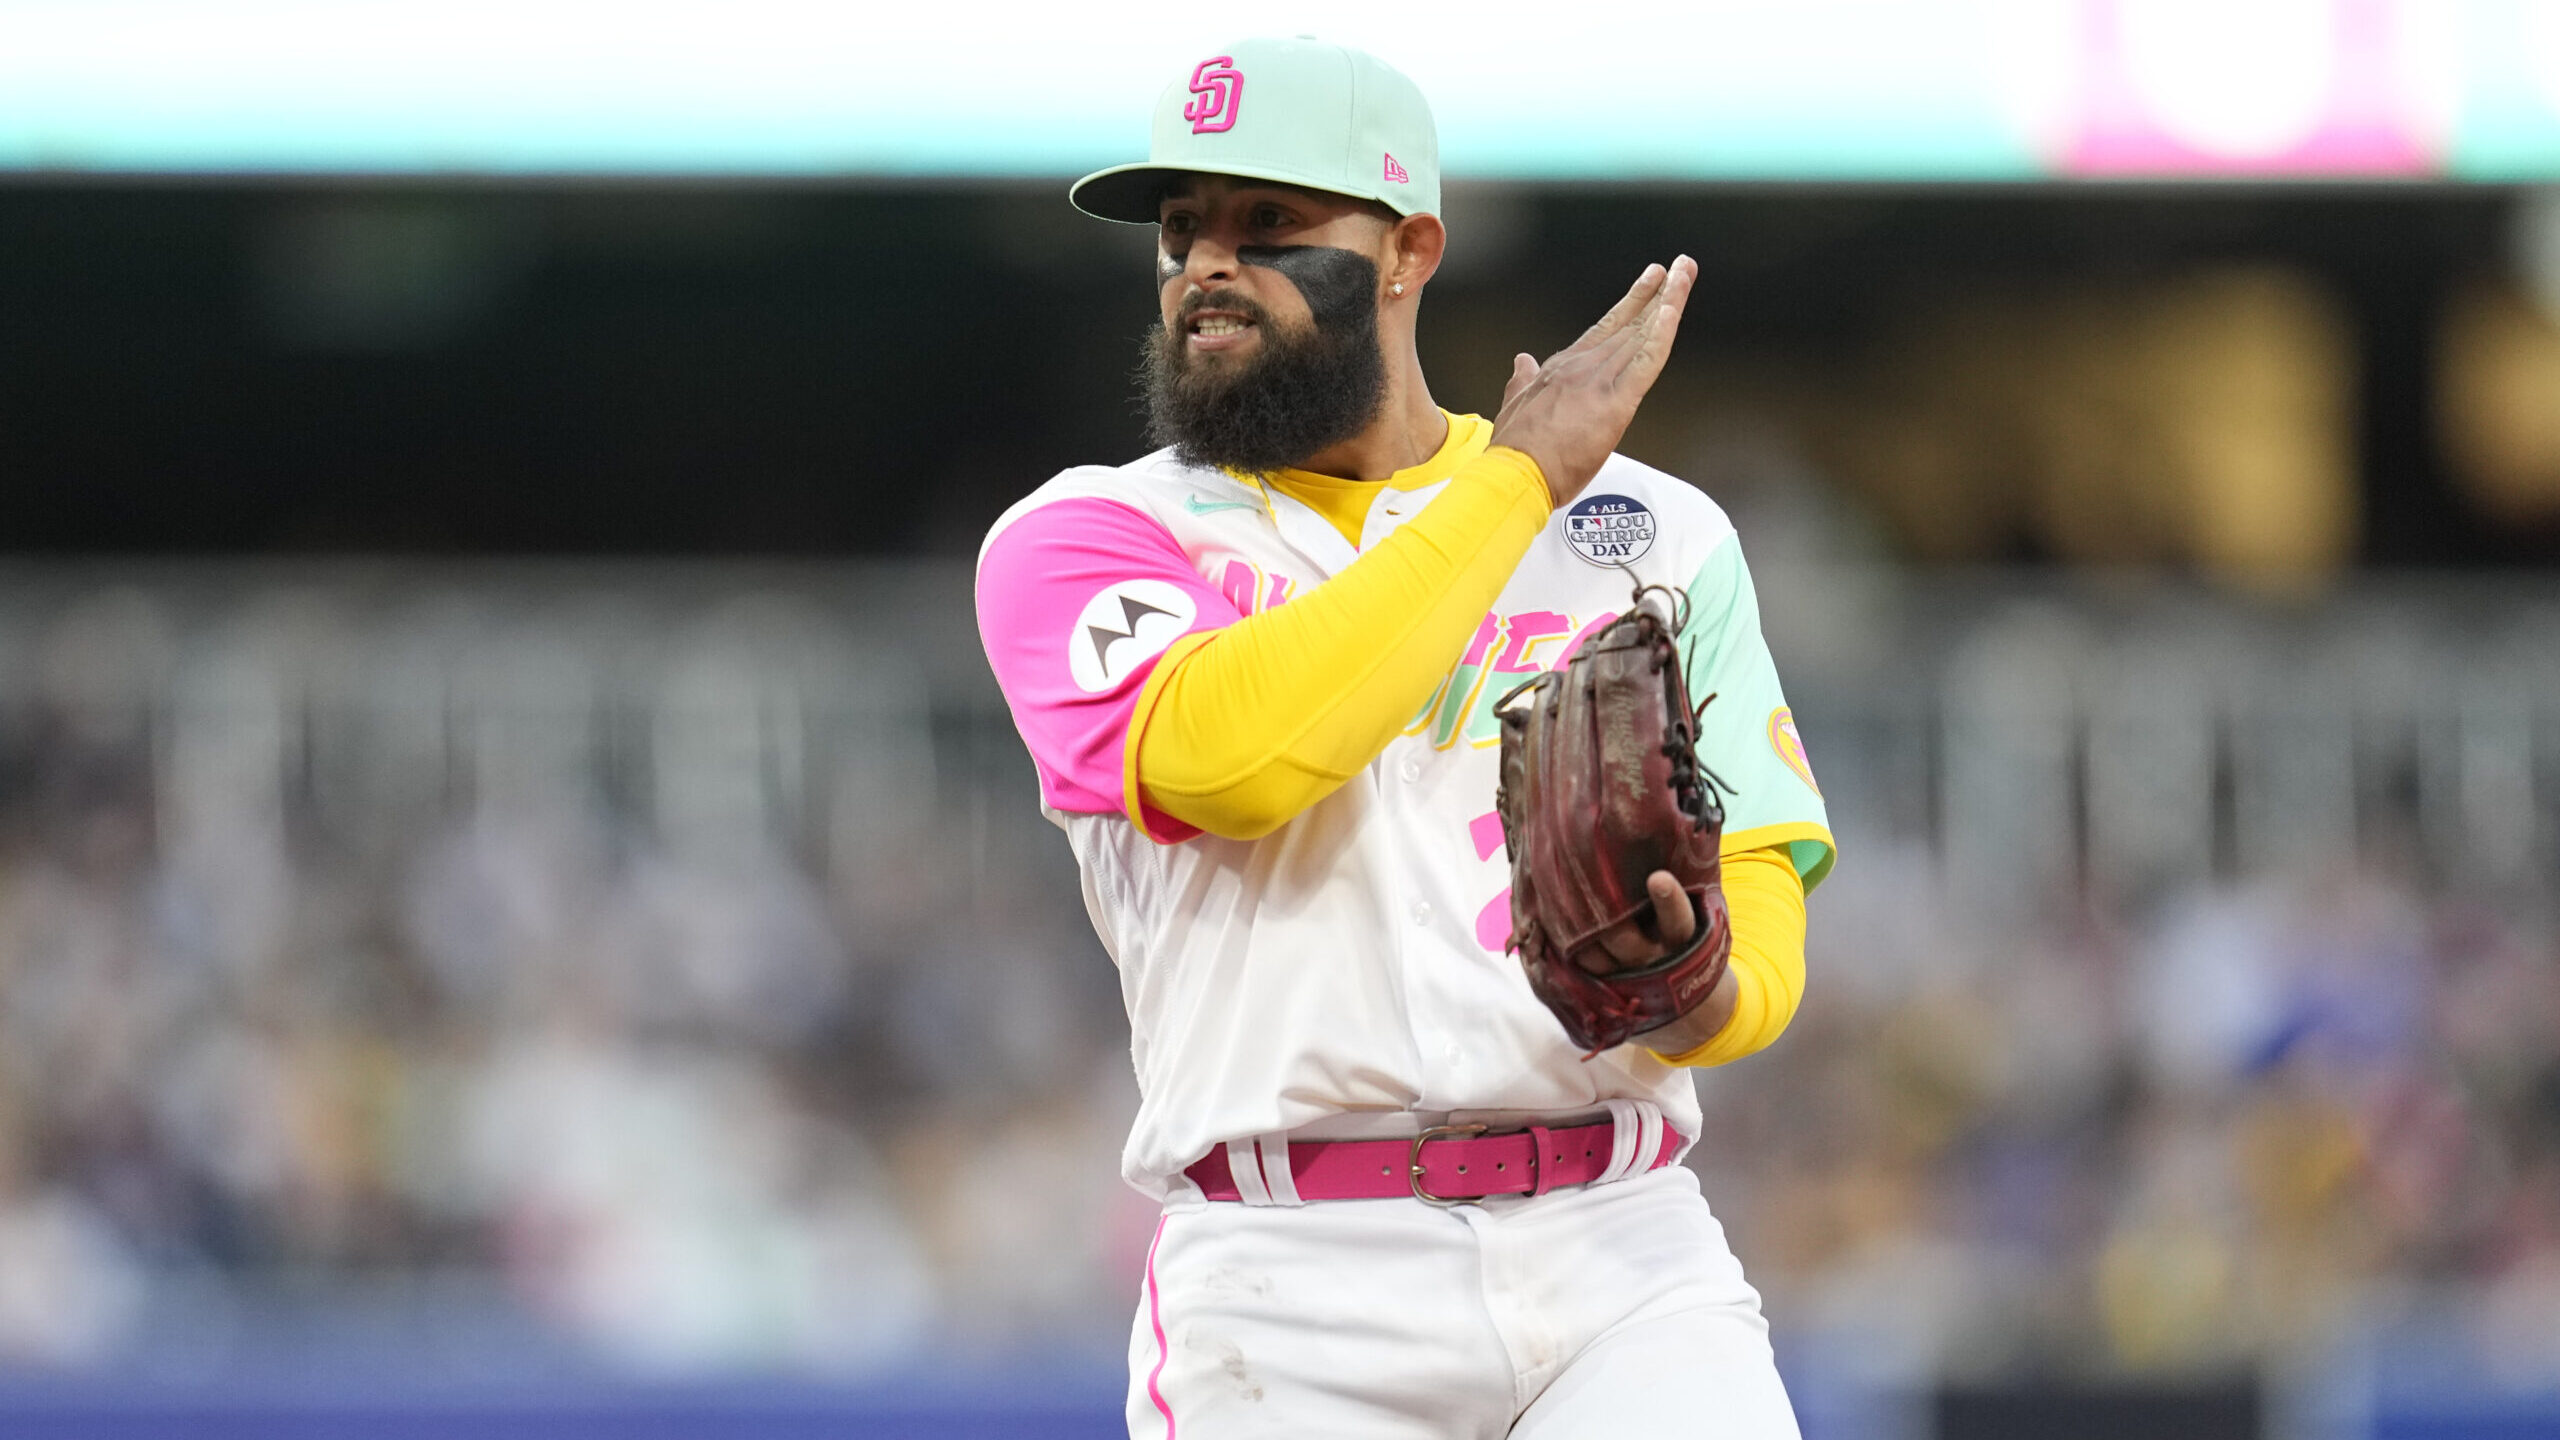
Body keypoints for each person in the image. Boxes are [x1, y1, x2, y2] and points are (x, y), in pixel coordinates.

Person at [974, 37, 1835, 1438]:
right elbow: (1229, 765)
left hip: (1622, 1254)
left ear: (1407, 249)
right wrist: (1515, 485)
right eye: (1182, 231)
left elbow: (1762, 887)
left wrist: (1699, 993)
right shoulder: (1086, 536)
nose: (1206, 265)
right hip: (1290, 1288)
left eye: (1270, 226)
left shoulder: (1654, 534)